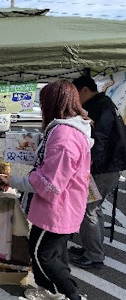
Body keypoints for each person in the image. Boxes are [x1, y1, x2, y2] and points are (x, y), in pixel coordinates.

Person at [0, 80, 92, 300]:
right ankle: (52, 290)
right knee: (55, 254)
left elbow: (50, 183)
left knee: (42, 254)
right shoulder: (71, 128)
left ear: (52, 103)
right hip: (63, 205)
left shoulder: (64, 135)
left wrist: (14, 181)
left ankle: (70, 294)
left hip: (58, 208)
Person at [69, 75, 126, 269]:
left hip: (103, 168)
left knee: (88, 209)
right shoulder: (103, 103)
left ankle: (94, 255)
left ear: (84, 90)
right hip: (109, 166)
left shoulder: (100, 106)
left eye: (75, 94)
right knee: (94, 208)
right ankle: (92, 248)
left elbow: (98, 141)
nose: (75, 100)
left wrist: (86, 167)